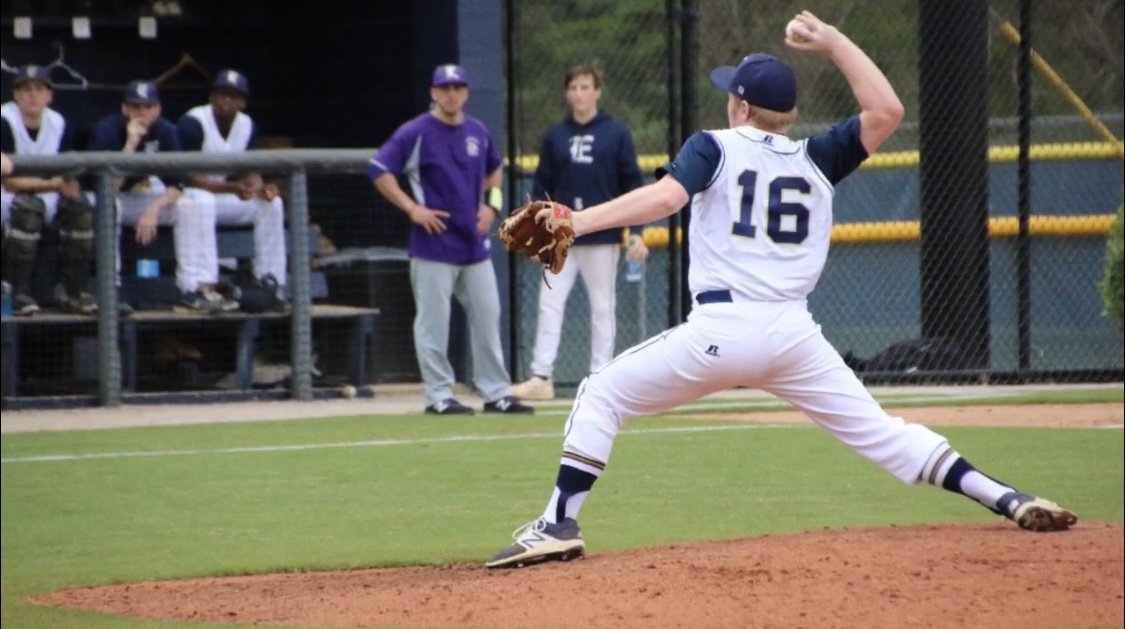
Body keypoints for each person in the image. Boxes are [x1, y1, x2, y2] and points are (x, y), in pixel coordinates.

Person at [486, 11, 1076, 569]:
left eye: (730, 92)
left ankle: (558, 524)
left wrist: (579, 221)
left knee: (599, 394)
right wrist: (835, 40)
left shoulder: (713, 144)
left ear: (740, 105)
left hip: (720, 331)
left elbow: (666, 200)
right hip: (795, 336)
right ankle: (1005, 495)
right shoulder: (818, 157)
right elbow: (887, 109)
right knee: (883, 435)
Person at [367, 63, 534, 416]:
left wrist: (492, 206)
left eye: (458, 88)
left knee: (488, 317)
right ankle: (439, 395)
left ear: (467, 92)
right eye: (445, 88)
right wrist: (413, 209)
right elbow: (380, 171)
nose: (452, 94)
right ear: (433, 92)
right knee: (433, 323)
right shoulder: (417, 132)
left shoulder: (477, 131)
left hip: (474, 245)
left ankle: (496, 392)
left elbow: (495, 171)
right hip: (433, 244)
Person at [510, 64, 648, 402]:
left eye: (586, 87)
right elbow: (542, 186)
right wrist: (535, 235)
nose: (579, 94)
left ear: (597, 91)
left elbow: (633, 184)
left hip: (601, 232)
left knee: (602, 307)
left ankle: (600, 378)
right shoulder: (556, 136)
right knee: (549, 302)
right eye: (573, 87)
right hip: (561, 235)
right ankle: (541, 377)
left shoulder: (616, 133)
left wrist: (637, 232)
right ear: (567, 92)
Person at [88, 80, 237, 313]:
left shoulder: (166, 131)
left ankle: (194, 288)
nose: (142, 112)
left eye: (147, 107)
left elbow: (177, 184)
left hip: (144, 200)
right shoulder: (106, 130)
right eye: (135, 107)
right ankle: (111, 290)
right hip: (108, 200)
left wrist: (154, 209)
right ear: (124, 109)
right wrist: (130, 144)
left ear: (157, 109)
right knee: (110, 205)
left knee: (196, 203)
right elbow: (109, 188)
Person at [176, 69, 288, 311]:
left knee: (272, 204)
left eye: (232, 96)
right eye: (220, 94)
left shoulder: (246, 125)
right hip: (191, 198)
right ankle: (200, 287)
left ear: (242, 103)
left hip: (224, 197)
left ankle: (269, 281)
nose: (225, 100)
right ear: (211, 97)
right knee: (201, 199)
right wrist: (232, 187)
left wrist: (259, 188)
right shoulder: (193, 122)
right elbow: (187, 177)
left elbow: (250, 169)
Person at [2, 65, 96, 315]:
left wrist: (56, 186)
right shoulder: (4, 119)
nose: (32, 95)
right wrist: (53, 184)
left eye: (39, 89)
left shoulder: (59, 122)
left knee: (80, 207)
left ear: (49, 95)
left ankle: (74, 292)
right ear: (16, 95)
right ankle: (18, 292)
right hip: (7, 196)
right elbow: (9, 182)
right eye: (26, 89)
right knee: (26, 208)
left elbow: (70, 181)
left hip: (45, 193)